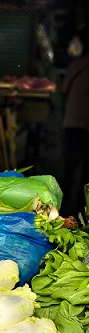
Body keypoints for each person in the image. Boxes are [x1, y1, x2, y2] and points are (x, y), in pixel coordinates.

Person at [62, 33, 89, 219]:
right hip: (85, 126)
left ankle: (63, 205)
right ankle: (82, 207)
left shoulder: (76, 65)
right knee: (87, 169)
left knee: (69, 167)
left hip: (72, 123)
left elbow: (64, 89)